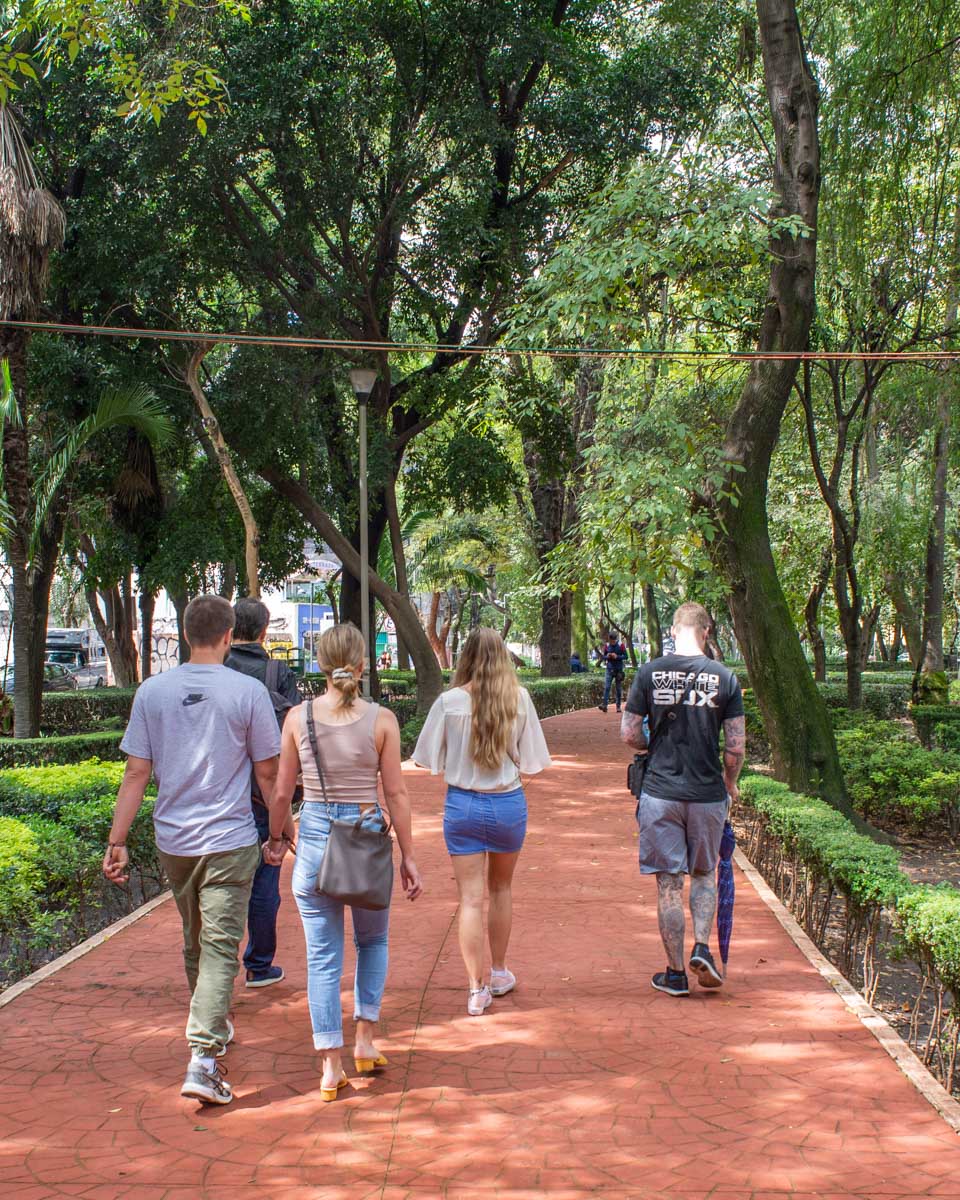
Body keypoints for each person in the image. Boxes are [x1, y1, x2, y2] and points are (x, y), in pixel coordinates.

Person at [102, 595, 285, 1105]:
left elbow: (136, 772)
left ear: (186, 634)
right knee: (219, 947)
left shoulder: (152, 692)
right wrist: (280, 832)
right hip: (229, 838)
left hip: (174, 840)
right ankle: (203, 1057)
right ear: (229, 636)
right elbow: (268, 774)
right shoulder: (248, 691)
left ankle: (212, 1028)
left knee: (197, 941)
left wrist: (117, 841)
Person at [265, 622, 422, 1102]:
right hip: (366, 839)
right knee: (372, 942)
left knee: (322, 958)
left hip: (313, 840)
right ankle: (365, 1041)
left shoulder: (297, 718)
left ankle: (331, 1067)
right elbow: (394, 791)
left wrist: (278, 837)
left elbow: (281, 790)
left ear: (318, 662)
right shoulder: (382, 720)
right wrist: (409, 855)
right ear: (362, 665)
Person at [413, 627, 552, 1016]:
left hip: (462, 808)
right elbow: (533, 761)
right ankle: (500, 971)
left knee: (470, 899)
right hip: (508, 804)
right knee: (502, 889)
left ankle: (477, 989)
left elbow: (426, 758)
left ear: (466, 657)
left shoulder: (449, 702)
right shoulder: (520, 699)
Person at [620, 601, 745, 997]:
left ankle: (674, 975)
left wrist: (651, 749)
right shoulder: (725, 678)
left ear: (674, 631)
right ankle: (703, 948)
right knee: (704, 875)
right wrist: (730, 781)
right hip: (707, 794)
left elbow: (628, 734)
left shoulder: (649, 673)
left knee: (669, 884)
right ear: (706, 632)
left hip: (660, 793)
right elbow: (735, 748)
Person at [225, 596, 302, 988]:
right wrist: (286, 816)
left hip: (218, 793)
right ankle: (258, 964)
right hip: (262, 795)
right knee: (265, 880)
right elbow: (295, 733)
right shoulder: (276, 673)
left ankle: (215, 969)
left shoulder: (215, 670)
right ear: (263, 631)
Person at [598, 632, 628, 713]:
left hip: (619, 670)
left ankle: (618, 707)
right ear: (609, 639)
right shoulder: (607, 646)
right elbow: (603, 656)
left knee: (618, 689)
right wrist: (607, 656)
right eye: (611, 641)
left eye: (613, 641)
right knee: (607, 687)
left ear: (616, 639)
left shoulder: (621, 645)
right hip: (609, 669)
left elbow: (626, 656)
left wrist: (617, 656)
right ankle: (604, 705)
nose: (612, 643)